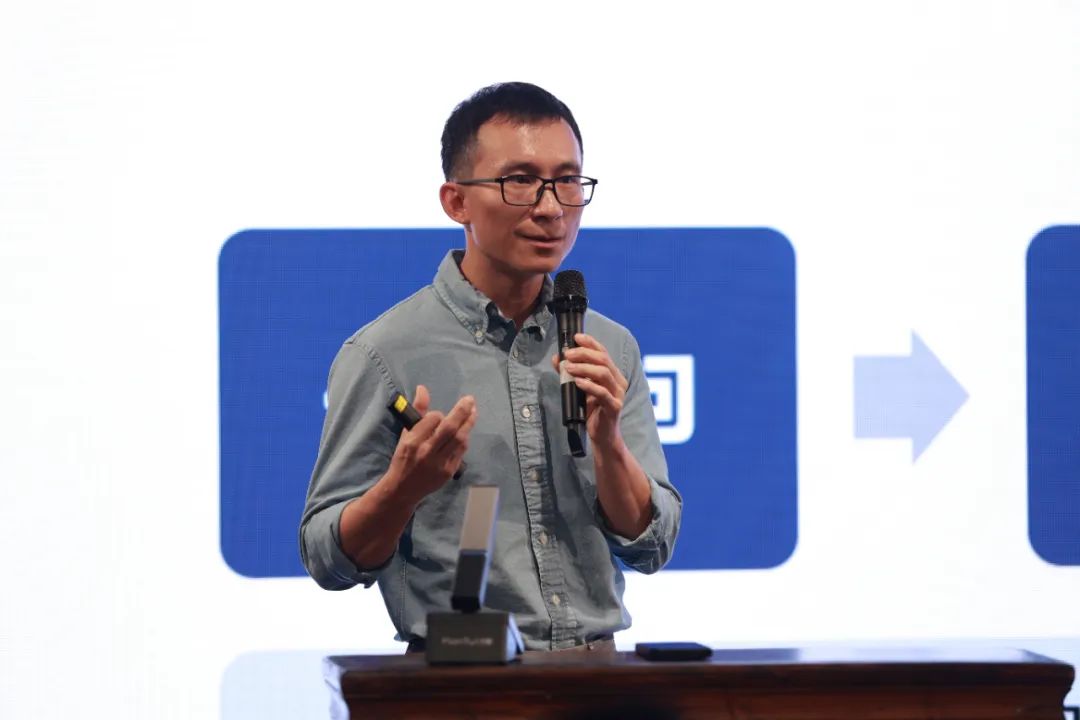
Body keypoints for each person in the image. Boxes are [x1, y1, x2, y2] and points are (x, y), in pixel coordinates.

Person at [299, 82, 681, 652]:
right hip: (458, 679)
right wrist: (401, 490)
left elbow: (652, 545)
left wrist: (608, 445)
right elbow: (326, 557)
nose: (551, 208)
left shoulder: (609, 347)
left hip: (598, 676)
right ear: (456, 202)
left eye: (568, 181)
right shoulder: (383, 354)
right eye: (520, 180)